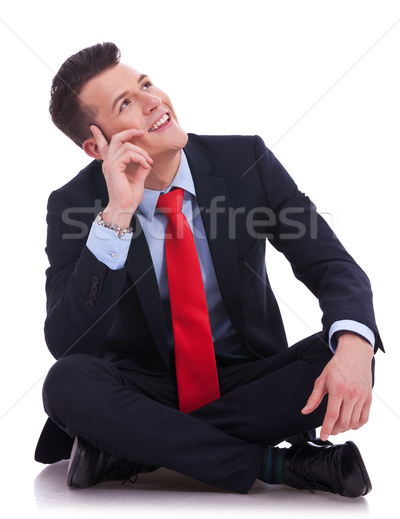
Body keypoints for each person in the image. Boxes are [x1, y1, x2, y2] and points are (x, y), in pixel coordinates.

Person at [35, 42, 382, 497]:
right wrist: (117, 214)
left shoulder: (246, 163)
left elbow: (332, 264)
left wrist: (355, 351)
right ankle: (277, 465)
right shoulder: (74, 205)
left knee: (346, 349)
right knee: (67, 383)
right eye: (126, 104)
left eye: (145, 84)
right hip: (147, 389)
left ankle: (132, 450)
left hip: (247, 377)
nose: (152, 100)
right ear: (96, 145)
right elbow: (68, 343)